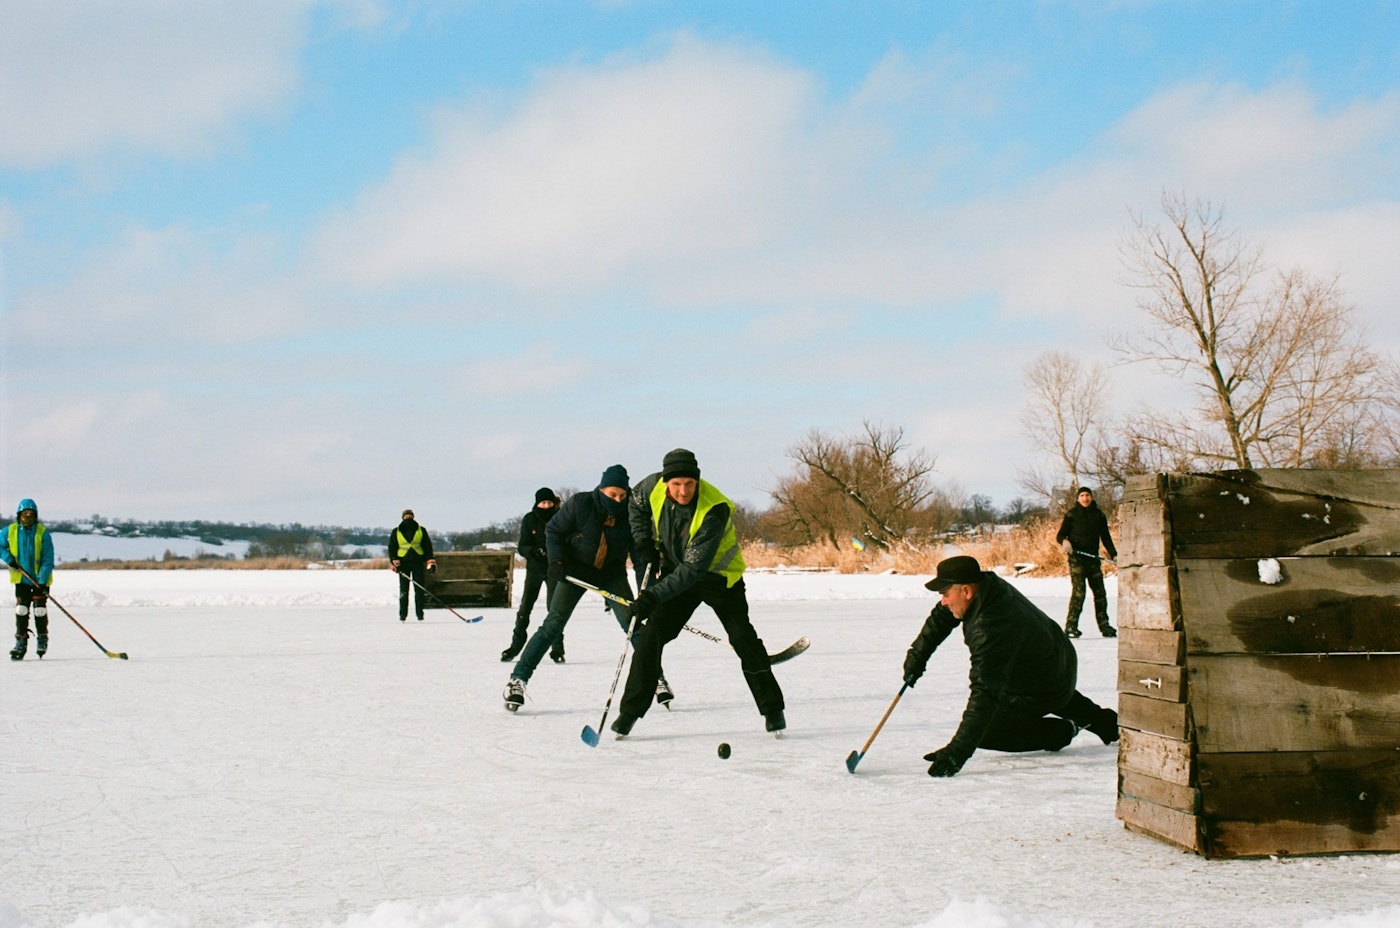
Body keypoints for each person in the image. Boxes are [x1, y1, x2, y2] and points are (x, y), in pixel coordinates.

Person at [610, 448, 785, 738]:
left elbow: (692, 571)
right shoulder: (651, 486)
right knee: (652, 635)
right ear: (665, 481)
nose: (682, 491)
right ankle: (628, 713)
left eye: (689, 484)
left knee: (742, 638)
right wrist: (644, 543)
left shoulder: (713, 509)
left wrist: (652, 596)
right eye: (676, 484)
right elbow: (636, 506)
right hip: (677, 572)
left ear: (697, 481)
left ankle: (773, 709)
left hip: (718, 578)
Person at [902, 554, 1118, 778]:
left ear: (966, 591)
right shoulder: (985, 586)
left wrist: (958, 751)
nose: (944, 601)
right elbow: (942, 615)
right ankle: (1108, 724)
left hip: (1045, 675)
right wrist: (917, 656)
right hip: (1051, 659)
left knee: (987, 732)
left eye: (946, 594)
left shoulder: (989, 627)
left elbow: (985, 691)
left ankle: (1060, 732)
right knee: (1048, 690)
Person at [503, 465, 673, 711]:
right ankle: (517, 679)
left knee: (633, 624)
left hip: (611, 575)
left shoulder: (631, 513)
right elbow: (554, 531)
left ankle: (656, 678)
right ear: (602, 489)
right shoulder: (580, 504)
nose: (617, 499)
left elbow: (639, 558)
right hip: (575, 571)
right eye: (612, 494)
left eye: (622, 495)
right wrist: (557, 562)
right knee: (553, 624)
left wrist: (645, 593)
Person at [503, 487, 564, 663]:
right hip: (535, 569)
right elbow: (522, 546)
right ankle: (516, 645)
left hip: (554, 568)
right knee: (525, 608)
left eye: (549, 503)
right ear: (537, 503)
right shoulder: (530, 519)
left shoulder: (560, 517)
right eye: (543, 503)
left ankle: (557, 649)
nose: (546, 506)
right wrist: (533, 551)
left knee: (555, 609)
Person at [1055, 486, 1117, 638]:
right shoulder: (1071, 515)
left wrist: (1115, 555)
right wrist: (1065, 542)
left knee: (1100, 593)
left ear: (1092, 497)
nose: (1085, 498)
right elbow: (1060, 534)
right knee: (1079, 593)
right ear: (1078, 498)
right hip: (1077, 559)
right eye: (1082, 495)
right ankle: (1071, 626)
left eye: (1087, 495)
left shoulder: (1099, 515)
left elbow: (1106, 537)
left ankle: (1105, 626)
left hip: (1093, 560)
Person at [4, 498, 55, 661]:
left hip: (41, 580)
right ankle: (20, 640)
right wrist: (8, 558)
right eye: (25, 514)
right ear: (19, 515)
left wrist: (42, 580)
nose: (28, 517)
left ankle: (42, 638)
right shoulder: (10, 531)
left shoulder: (42, 532)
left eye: (31, 514)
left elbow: (48, 558)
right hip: (22, 579)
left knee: (39, 610)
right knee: (21, 609)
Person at [388, 508, 436, 621]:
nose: (408, 518)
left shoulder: (421, 530)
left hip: (418, 563)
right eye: (406, 516)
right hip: (403, 565)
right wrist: (394, 560)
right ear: (403, 517)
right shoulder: (396, 531)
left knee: (419, 590)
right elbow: (392, 548)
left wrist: (431, 562)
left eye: (409, 516)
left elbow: (427, 547)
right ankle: (403, 615)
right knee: (404, 591)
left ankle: (419, 615)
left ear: (413, 517)